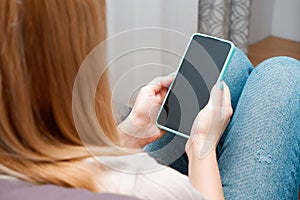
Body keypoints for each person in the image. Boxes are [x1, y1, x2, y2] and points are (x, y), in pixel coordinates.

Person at [0, 0, 299, 200]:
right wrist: (201, 149)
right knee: (282, 75)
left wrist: (132, 129)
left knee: (228, 68)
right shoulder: (157, 188)